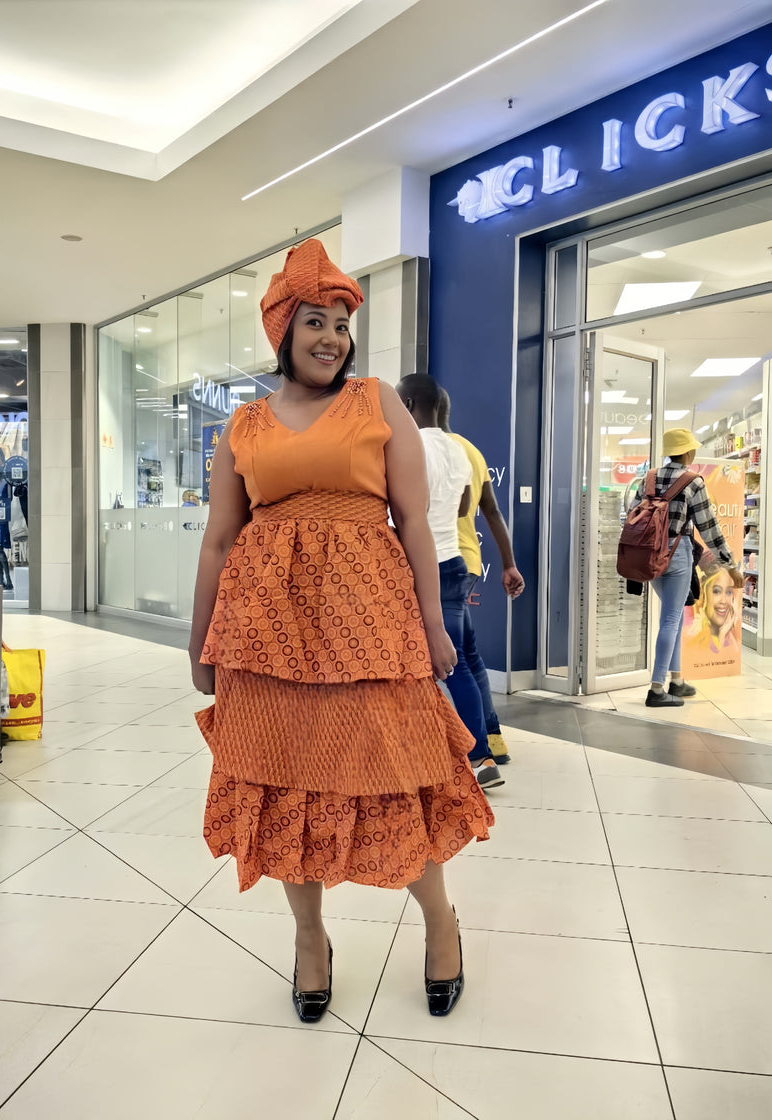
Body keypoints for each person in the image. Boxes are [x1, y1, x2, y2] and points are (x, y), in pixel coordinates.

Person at [189, 240, 493, 1024]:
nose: (331, 337)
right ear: (282, 331)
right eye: (314, 322)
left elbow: (416, 528)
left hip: (371, 626)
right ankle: (310, 939)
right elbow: (220, 540)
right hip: (265, 637)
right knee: (285, 780)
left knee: (399, 772)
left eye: (341, 324)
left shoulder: (376, 401)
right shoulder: (245, 424)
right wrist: (200, 644)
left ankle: (440, 923)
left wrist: (433, 626)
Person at [398, 374, 504, 791]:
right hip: (454, 562)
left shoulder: (412, 446)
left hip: (421, 567)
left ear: (407, 405)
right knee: (458, 660)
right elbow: (464, 507)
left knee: (433, 664)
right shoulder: (459, 450)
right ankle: (480, 756)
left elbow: (406, 511)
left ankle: (470, 755)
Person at [437, 387, 524, 765]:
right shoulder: (470, 450)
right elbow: (492, 512)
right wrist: (508, 563)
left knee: (450, 660)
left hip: (440, 562)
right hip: (469, 562)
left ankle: (476, 753)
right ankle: (492, 739)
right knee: (470, 657)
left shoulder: (425, 448)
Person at [630, 428, 740, 707]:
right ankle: (656, 689)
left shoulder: (649, 478)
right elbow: (709, 528)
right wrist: (729, 565)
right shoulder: (693, 481)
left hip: (647, 557)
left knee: (674, 616)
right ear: (688, 452)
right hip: (676, 555)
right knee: (670, 619)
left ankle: (676, 681)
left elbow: (632, 516)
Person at [687, 559, 743, 652]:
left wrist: (723, 634)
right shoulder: (691, 636)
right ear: (704, 593)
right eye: (716, 591)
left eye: (729, 592)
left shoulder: (733, 640)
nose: (723, 601)